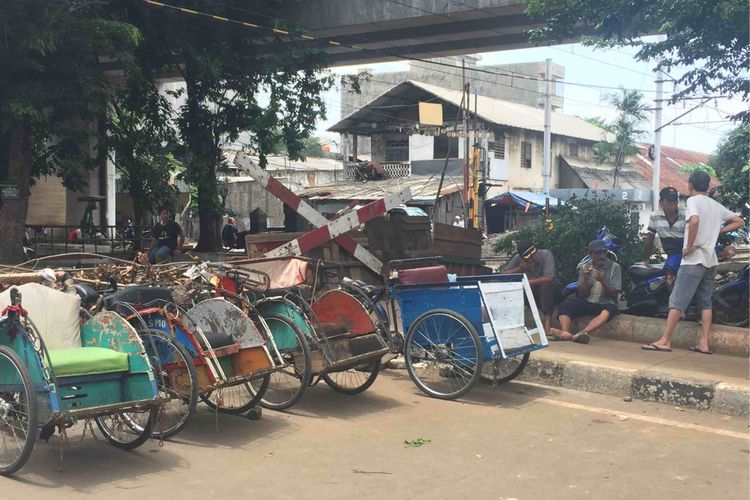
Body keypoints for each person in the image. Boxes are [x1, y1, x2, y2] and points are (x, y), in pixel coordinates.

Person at [642, 171, 745, 354]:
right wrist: (718, 232)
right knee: (705, 302)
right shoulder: (716, 205)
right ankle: (704, 342)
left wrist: (688, 246)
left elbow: (695, 220)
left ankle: (665, 340)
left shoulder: (692, 202)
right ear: (708, 186)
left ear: (690, 186)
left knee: (677, 301)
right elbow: (739, 221)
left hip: (694, 259)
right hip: (710, 260)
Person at [551, 239, 621, 344]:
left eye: (604, 252)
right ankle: (565, 332)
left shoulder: (615, 267)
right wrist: (585, 279)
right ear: (590, 254)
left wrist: (603, 281)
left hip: (606, 302)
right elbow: (582, 294)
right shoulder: (585, 267)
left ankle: (583, 333)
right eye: (597, 253)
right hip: (588, 300)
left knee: (609, 310)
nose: (601, 256)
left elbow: (614, 294)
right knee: (565, 305)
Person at [501, 239, 556, 333]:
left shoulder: (546, 255)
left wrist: (527, 282)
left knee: (545, 285)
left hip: (545, 291)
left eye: (533, 255)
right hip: (528, 291)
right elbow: (503, 275)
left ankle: (547, 321)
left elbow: (549, 277)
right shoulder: (518, 258)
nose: (532, 258)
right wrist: (519, 269)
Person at [642, 186, 685, 286]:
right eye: (668, 200)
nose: (672, 202)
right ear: (661, 202)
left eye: (674, 200)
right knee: (668, 278)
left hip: (685, 251)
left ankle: (673, 301)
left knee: (670, 274)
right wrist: (646, 260)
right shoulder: (655, 216)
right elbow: (650, 240)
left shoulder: (686, 215)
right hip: (671, 254)